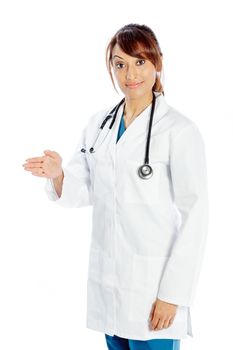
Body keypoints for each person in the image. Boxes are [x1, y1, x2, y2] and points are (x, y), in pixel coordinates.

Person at [23, 23, 209, 350]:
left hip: (154, 292)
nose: (129, 74)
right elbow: (83, 189)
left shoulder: (179, 130)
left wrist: (173, 295)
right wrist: (57, 174)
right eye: (119, 64)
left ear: (157, 63)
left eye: (139, 62)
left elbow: (196, 215)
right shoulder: (99, 124)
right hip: (109, 287)